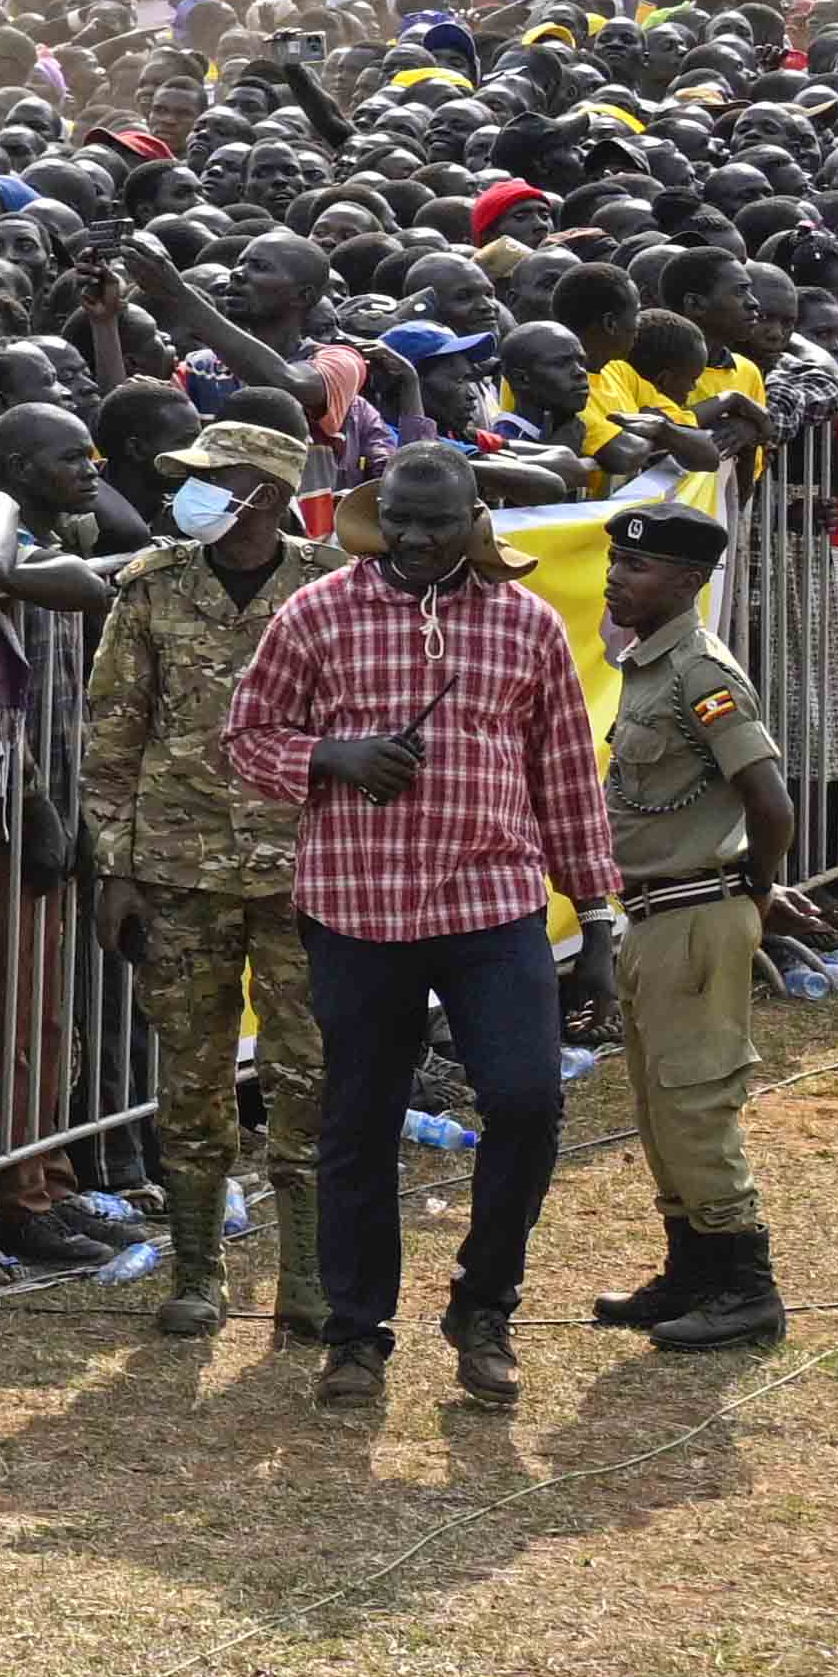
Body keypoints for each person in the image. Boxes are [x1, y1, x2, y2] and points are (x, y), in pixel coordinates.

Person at [218, 447, 618, 1406]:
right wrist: (335, 757)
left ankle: (484, 1308)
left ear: (474, 519)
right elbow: (245, 735)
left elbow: (566, 773)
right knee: (358, 1122)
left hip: (493, 901)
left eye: (437, 522)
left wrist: (598, 917)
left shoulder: (527, 623)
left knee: (525, 1101)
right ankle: (357, 1334)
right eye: (398, 519)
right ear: (375, 516)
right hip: (358, 908)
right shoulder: (318, 612)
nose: (415, 538)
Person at [80, 419, 328, 1334]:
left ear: (260, 493)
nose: (186, 494)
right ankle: (196, 1273)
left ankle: (306, 1271)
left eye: (207, 480)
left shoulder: (333, 584)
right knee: (193, 1070)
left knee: (313, 1073)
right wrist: (114, 867)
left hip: (309, 870)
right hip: (180, 870)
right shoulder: (150, 588)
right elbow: (113, 732)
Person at [573, 494, 808, 1359]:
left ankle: (746, 1286)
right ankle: (692, 1268)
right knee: (658, 1105)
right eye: (614, 562)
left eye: (636, 566)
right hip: (654, 917)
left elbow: (770, 801)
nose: (615, 578)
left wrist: (755, 888)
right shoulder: (649, 667)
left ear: (689, 580)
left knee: (697, 1103)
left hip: (696, 912)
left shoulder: (701, 673)